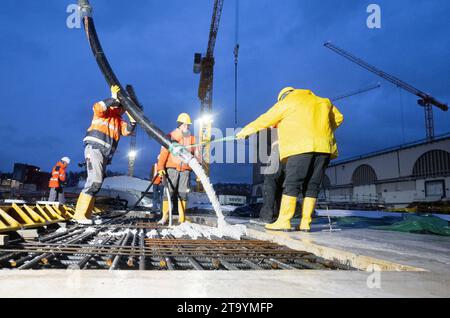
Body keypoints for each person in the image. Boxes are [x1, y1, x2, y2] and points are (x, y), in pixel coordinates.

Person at [237, 87, 344, 232]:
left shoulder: (287, 102)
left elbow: (265, 119)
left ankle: (284, 221)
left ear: (283, 96)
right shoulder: (323, 101)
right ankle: (305, 223)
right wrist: (319, 129)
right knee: (312, 185)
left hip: (300, 147)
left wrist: (245, 131)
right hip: (324, 147)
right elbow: (339, 118)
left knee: (292, 183)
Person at [72, 85, 137, 222]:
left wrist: (133, 118)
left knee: (96, 183)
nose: (123, 110)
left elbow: (128, 131)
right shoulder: (104, 113)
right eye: (123, 107)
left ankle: (85, 215)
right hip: (95, 149)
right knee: (94, 182)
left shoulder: (119, 121)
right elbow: (97, 107)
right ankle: (79, 215)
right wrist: (113, 98)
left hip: (104, 154)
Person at [156, 113, 198, 225]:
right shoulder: (171, 136)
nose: (187, 127)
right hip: (172, 168)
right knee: (169, 193)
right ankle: (165, 217)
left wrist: (198, 172)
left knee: (183, 193)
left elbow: (196, 156)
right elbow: (164, 152)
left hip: (185, 170)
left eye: (188, 125)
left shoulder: (192, 139)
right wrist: (160, 167)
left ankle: (182, 219)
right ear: (179, 124)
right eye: (184, 124)